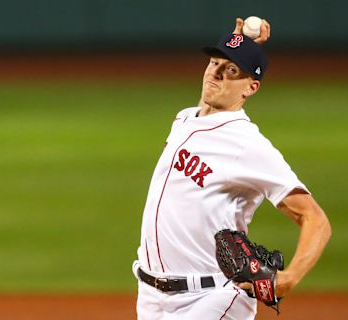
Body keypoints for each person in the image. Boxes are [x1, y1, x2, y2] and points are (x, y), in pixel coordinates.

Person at [132, 18, 331, 320]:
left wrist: (288, 279)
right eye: (214, 63)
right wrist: (240, 48)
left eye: (231, 70)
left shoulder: (247, 144)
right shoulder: (186, 118)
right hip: (151, 297)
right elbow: (211, 100)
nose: (216, 73)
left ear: (251, 87)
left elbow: (315, 219)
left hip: (211, 298)